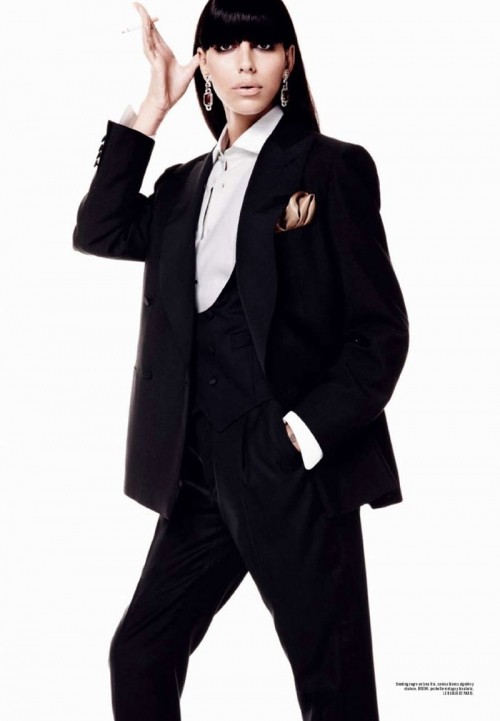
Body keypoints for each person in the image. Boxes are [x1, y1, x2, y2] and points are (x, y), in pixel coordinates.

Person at [73, 0, 410, 718]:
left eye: (263, 45)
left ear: (289, 59)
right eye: (226, 47)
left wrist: (303, 434)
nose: (247, 63)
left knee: (335, 685)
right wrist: (153, 106)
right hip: (197, 469)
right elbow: (98, 228)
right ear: (204, 63)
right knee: (140, 653)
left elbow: (381, 332)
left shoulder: (332, 167)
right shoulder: (182, 186)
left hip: (291, 463)